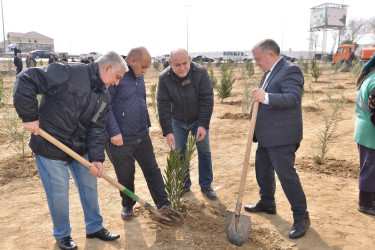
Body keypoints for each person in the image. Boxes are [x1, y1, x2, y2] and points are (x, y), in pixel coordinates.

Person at [13, 51, 128, 250]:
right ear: (107, 67)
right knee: (59, 192)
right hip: (50, 146)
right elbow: (25, 79)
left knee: (90, 186)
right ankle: (63, 235)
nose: (117, 83)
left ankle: (94, 227)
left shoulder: (104, 96)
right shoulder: (67, 72)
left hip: (79, 147)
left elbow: (97, 127)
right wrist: (29, 116)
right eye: (117, 77)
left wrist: (96, 158)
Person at [243, 39, 309, 239]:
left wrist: (266, 97)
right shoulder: (268, 72)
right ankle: (267, 202)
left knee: (286, 176)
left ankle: (301, 217)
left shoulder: (290, 70)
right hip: (266, 135)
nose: (256, 63)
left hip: (282, 135)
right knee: (263, 171)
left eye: (258, 59)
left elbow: (293, 97)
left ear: (271, 54)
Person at [105, 46, 172, 220]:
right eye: (143, 67)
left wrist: (147, 123)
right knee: (125, 175)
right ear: (132, 61)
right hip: (120, 139)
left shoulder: (138, 76)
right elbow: (106, 105)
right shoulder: (116, 76)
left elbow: (141, 100)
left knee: (152, 170)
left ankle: (164, 205)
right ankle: (127, 205)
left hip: (141, 135)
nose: (145, 71)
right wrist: (114, 131)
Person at [157, 48, 216, 199]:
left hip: (198, 119)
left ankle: (206, 185)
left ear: (189, 59)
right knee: (180, 152)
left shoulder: (200, 73)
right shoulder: (164, 78)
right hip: (176, 120)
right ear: (170, 64)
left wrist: (203, 124)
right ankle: (184, 185)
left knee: (204, 150)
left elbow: (207, 100)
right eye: (177, 65)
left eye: (185, 63)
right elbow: (162, 105)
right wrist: (168, 131)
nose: (182, 67)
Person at [354, 53, 375, 216]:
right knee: (370, 170)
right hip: (371, 133)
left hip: (365, 131)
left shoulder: (371, 76)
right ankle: (366, 204)